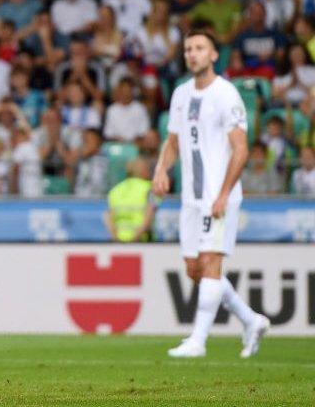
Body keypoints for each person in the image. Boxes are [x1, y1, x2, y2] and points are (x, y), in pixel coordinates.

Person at [152, 28, 270, 359]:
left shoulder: (226, 94)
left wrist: (223, 194)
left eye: (200, 48)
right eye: (188, 48)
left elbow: (241, 149)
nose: (192, 53)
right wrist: (161, 170)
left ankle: (198, 341)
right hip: (190, 197)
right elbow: (173, 141)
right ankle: (251, 319)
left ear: (214, 55)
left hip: (219, 196)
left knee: (211, 262)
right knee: (194, 269)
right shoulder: (180, 94)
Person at [104, 159, 156, 242]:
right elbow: (149, 217)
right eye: (148, 170)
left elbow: (108, 218)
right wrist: (133, 240)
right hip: (142, 242)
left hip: (118, 241)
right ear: (144, 172)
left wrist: (117, 239)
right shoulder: (150, 189)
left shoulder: (115, 190)